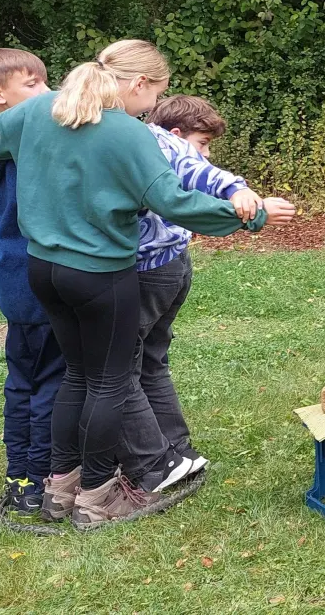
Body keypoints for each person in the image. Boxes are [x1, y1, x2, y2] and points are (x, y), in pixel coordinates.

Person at [0, 40, 294, 526]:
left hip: (42, 270)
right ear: (136, 85)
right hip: (99, 276)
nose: (153, 107)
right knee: (109, 383)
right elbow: (174, 203)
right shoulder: (127, 134)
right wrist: (252, 215)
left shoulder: (40, 112)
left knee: (76, 376)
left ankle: (59, 490)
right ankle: (97, 498)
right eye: (153, 94)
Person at [127, 95, 263, 482]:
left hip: (150, 268)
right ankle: (178, 450)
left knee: (126, 366)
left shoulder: (152, 146)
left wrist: (236, 191)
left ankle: (158, 459)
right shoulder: (159, 144)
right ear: (177, 135)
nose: (203, 155)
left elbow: (199, 172)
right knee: (152, 360)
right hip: (174, 264)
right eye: (202, 144)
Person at [0, 49, 63, 517]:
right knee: (43, 381)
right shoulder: (5, 139)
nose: (44, 95)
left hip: (21, 272)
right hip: (31, 274)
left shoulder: (10, 134)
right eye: (32, 86)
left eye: (46, 84)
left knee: (29, 378)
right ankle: (34, 479)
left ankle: (26, 473)